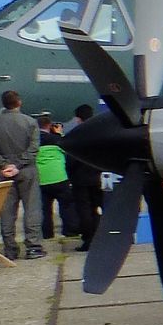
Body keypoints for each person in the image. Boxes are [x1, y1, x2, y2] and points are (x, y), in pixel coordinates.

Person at [0, 89, 45, 259]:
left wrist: (5, 164)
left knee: (7, 212)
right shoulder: (30, 122)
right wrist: (18, 164)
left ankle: (10, 249)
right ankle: (33, 247)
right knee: (32, 209)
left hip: (4, 171)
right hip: (27, 170)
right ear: (19, 102)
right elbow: (34, 148)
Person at [64, 104, 105, 252]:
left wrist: (70, 176)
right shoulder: (100, 132)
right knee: (98, 209)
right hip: (97, 177)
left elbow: (71, 159)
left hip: (80, 179)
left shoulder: (76, 134)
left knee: (84, 210)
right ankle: (100, 237)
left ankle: (88, 239)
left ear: (78, 119)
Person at [36, 117, 76, 244]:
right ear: (49, 125)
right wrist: (59, 133)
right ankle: (69, 230)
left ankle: (47, 233)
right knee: (66, 205)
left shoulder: (34, 141)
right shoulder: (57, 140)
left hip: (42, 179)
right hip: (59, 177)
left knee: (45, 209)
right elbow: (68, 148)